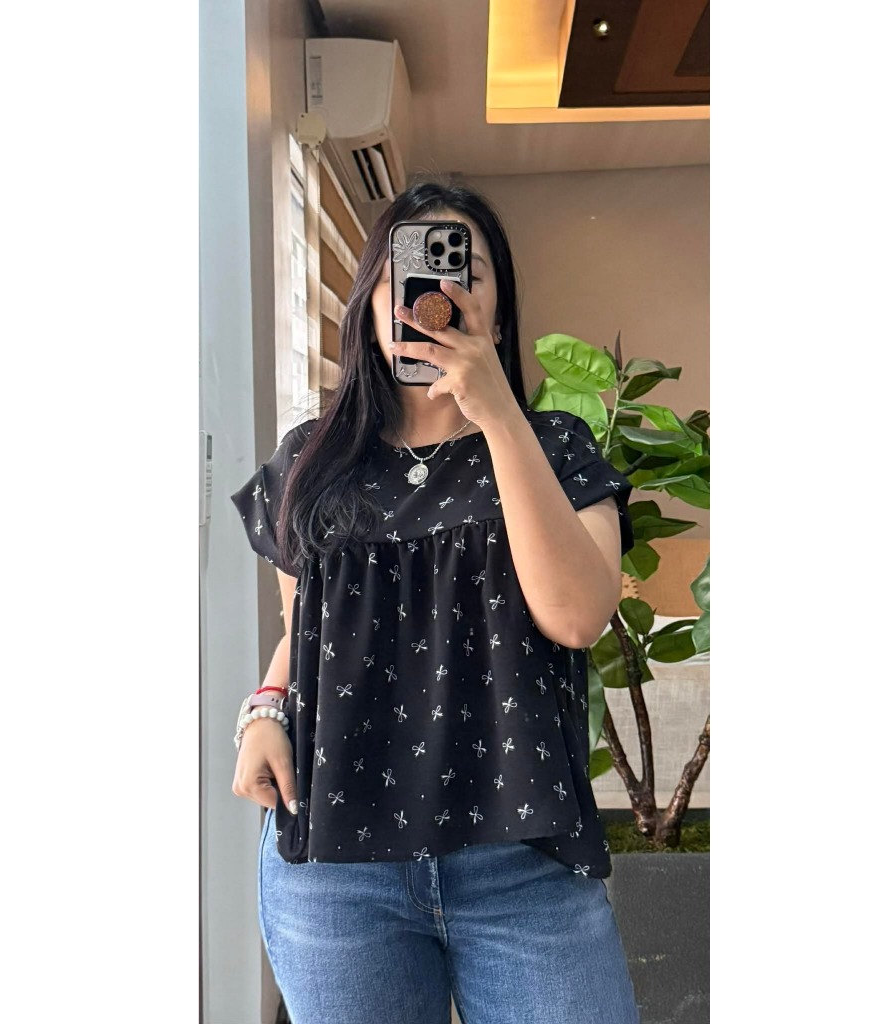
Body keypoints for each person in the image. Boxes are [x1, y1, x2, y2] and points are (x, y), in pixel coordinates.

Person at [229, 180, 640, 1023]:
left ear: (500, 309)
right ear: (370, 304)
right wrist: (265, 707)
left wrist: (498, 417)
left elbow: (575, 615)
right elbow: (306, 634)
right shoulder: (310, 464)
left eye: (464, 272)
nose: (431, 294)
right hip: (337, 867)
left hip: (521, 860)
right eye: (403, 273)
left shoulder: (556, 447)